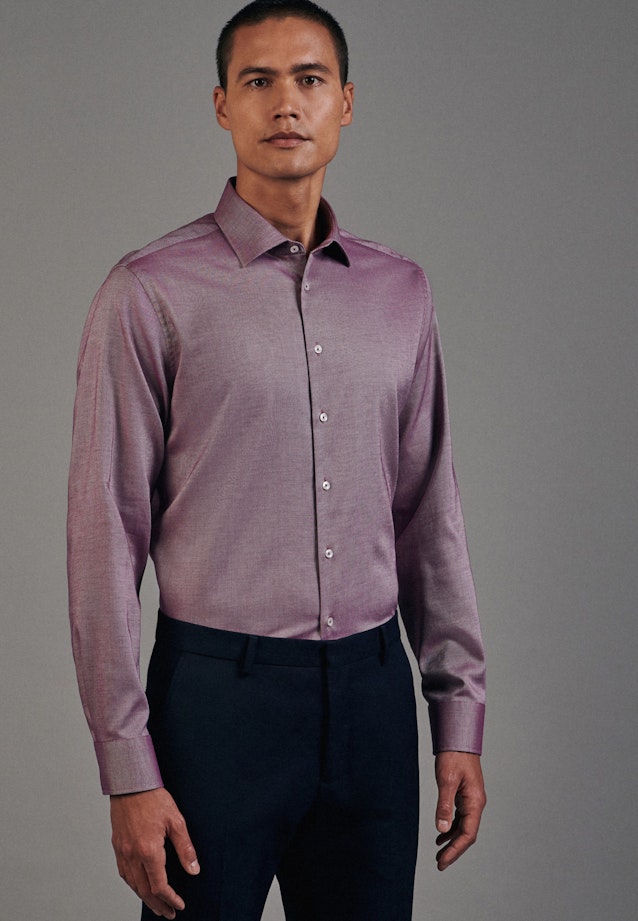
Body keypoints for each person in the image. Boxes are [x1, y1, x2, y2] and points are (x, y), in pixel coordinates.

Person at [67, 1, 486, 919]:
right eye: (258, 80)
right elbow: (105, 537)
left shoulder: (401, 292)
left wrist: (457, 715)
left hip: (375, 700)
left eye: (309, 79)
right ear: (223, 104)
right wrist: (127, 768)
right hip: (216, 705)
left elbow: (429, 515)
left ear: (346, 102)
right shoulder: (148, 292)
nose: (285, 102)